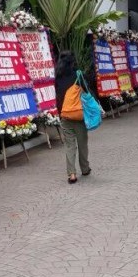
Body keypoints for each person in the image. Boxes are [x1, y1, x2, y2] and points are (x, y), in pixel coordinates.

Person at [54, 50, 92, 184]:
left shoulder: (57, 77)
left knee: (69, 145)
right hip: (79, 115)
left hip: (65, 116)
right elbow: (87, 93)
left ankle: (72, 174)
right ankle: (85, 168)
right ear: (72, 62)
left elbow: (57, 97)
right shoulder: (78, 75)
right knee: (82, 144)